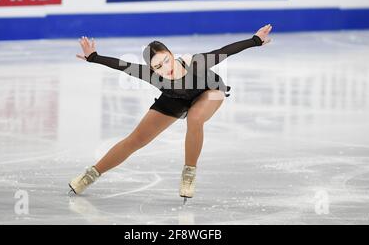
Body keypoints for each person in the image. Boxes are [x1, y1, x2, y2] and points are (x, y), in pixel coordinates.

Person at [69, 24, 273, 203]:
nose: (165, 68)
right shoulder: (151, 76)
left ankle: (189, 174)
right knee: (136, 140)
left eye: (166, 60)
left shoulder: (195, 63)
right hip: (175, 98)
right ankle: (90, 175)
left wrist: (255, 40)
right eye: (157, 66)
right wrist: (94, 57)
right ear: (151, 69)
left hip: (211, 91)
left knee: (195, 118)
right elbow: (122, 66)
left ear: (171, 54)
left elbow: (225, 51)